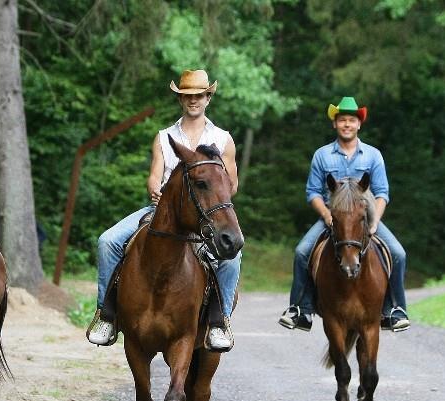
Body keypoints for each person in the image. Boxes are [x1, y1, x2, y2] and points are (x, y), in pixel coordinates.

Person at [87, 69, 241, 350]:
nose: (193, 100)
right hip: (164, 211)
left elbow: (231, 183)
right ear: (180, 99)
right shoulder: (163, 136)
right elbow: (154, 174)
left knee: (232, 256)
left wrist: (212, 203)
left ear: (208, 97)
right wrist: (154, 186)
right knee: (107, 241)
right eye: (186, 96)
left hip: (206, 215)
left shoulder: (223, 139)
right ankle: (105, 314)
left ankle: (220, 322)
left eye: (198, 95)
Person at [278, 96, 410, 333]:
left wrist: (374, 222)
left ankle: (395, 309)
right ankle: (301, 309)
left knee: (398, 253)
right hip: (333, 218)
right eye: (342, 120)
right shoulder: (322, 155)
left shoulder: (373, 155)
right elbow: (313, 193)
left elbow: (382, 193)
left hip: (365, 218)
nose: (347, 124)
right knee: (301, 252)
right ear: (334, 124)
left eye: (351, 120)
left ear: (359, 124)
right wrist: (327, 215)